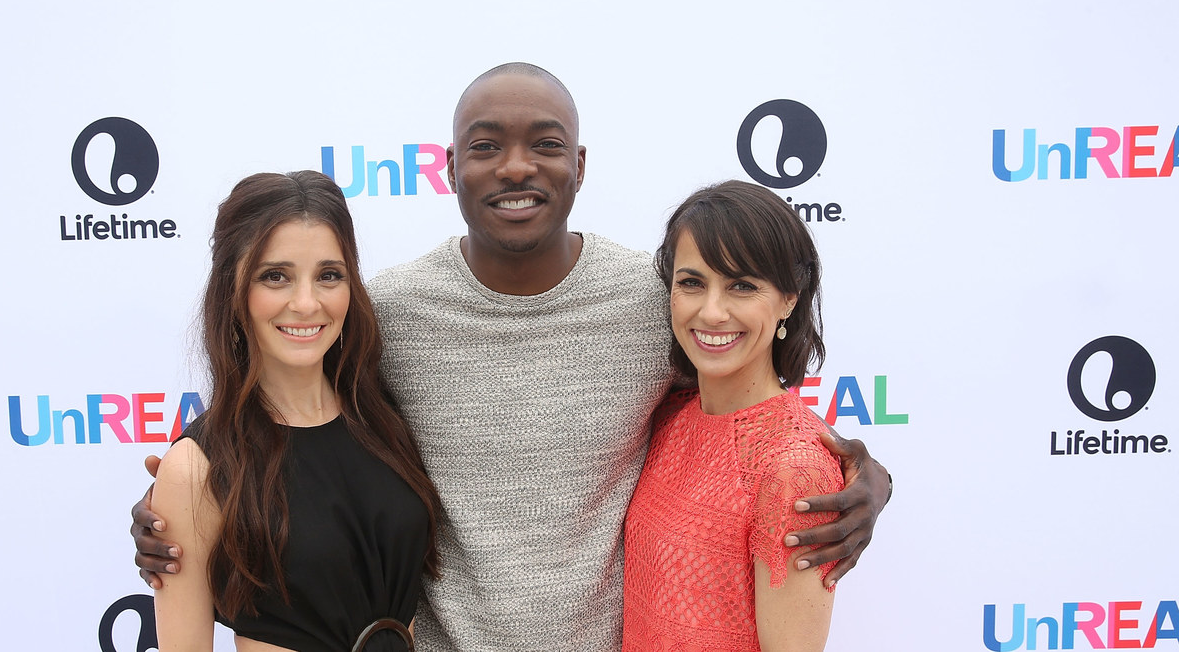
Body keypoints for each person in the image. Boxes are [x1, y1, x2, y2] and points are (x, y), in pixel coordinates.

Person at [134, 63, 891, 651]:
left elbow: (741, 411)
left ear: (581, 165)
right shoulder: (388, 312)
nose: (517, 167)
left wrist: (863, 478)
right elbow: (292, 417)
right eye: (487, 146)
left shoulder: (658, 298)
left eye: (546, 145)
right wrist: (188, 495)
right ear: (451, 166)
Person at [150, 171, 441, 651]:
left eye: (329, 275)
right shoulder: (197, 466)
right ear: (234, 290)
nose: (306, 303)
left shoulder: (385, 421)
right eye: (275, 276)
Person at [623, 181, 844, 651]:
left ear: (790, 298)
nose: (713, 311)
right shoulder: (667, 416)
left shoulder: (794, 468)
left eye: (742, 285)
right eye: (692, 283)